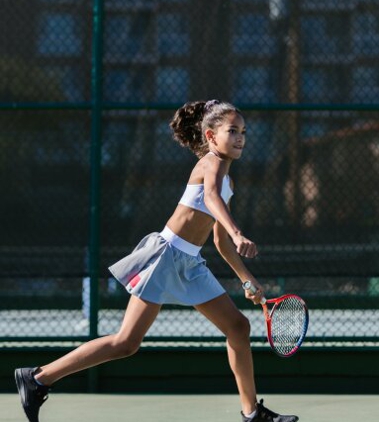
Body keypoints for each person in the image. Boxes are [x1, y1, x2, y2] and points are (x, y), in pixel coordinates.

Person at [14, 100, 299, 422]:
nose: (240, 138)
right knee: (126, 343)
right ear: (210, 136)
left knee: (238, 326)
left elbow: (218, 240)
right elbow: (210, 200)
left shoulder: (228, 181)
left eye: (244, 131)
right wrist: (237, 231)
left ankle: (251, 413)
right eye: (232, 131)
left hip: (191, 264)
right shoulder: (210, 164)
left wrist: (247, 279)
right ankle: (38, 378)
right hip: (165, 257)